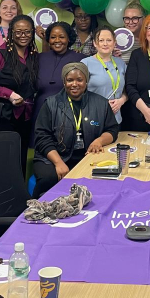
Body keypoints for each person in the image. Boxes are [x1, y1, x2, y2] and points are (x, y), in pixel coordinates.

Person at [32, 63, 120, 197]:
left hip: (87, 156)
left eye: (79, 80)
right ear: (64, 82)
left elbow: (112, 129)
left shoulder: (101, 103)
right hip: (52, 157)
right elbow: (42, 138)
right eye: (70, 80)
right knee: (49, 179)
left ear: (86, 81)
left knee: (103, 181)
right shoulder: (50, 103)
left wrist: (99, 141)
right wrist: (58, 163)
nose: (75, 84)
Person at [0, 14, 39, 170]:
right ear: (11, 33)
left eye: (27, 32)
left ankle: (19, 194)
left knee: (21, 158)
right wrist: (9, 94)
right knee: (3, 160)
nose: (23, 36)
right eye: (18, 32)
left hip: (26, 117)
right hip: (3, 116)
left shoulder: (33, 55)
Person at [33, 21, 84, 129]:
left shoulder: (80, 59)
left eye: (61, 37)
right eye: (53, 37)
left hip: (68, 112)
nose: (57, 40)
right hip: (41, 111)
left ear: (69, 38)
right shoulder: (39, 58)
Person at [82, 26, 128, 124]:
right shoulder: (85, 64)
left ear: (114, 42)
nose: (105, 44)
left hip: (116, 119)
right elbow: (79, 93)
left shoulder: (121, 64)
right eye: (101, 40)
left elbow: (128, 89)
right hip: (94, 118)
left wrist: (121, 101)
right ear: (95, 43)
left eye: (109, 40)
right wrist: (102, 105)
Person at [119, 0, 145, 64]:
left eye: (135, 18)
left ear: (143, 19)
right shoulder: (116, 39)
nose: (130, 22)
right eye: (127, 19)